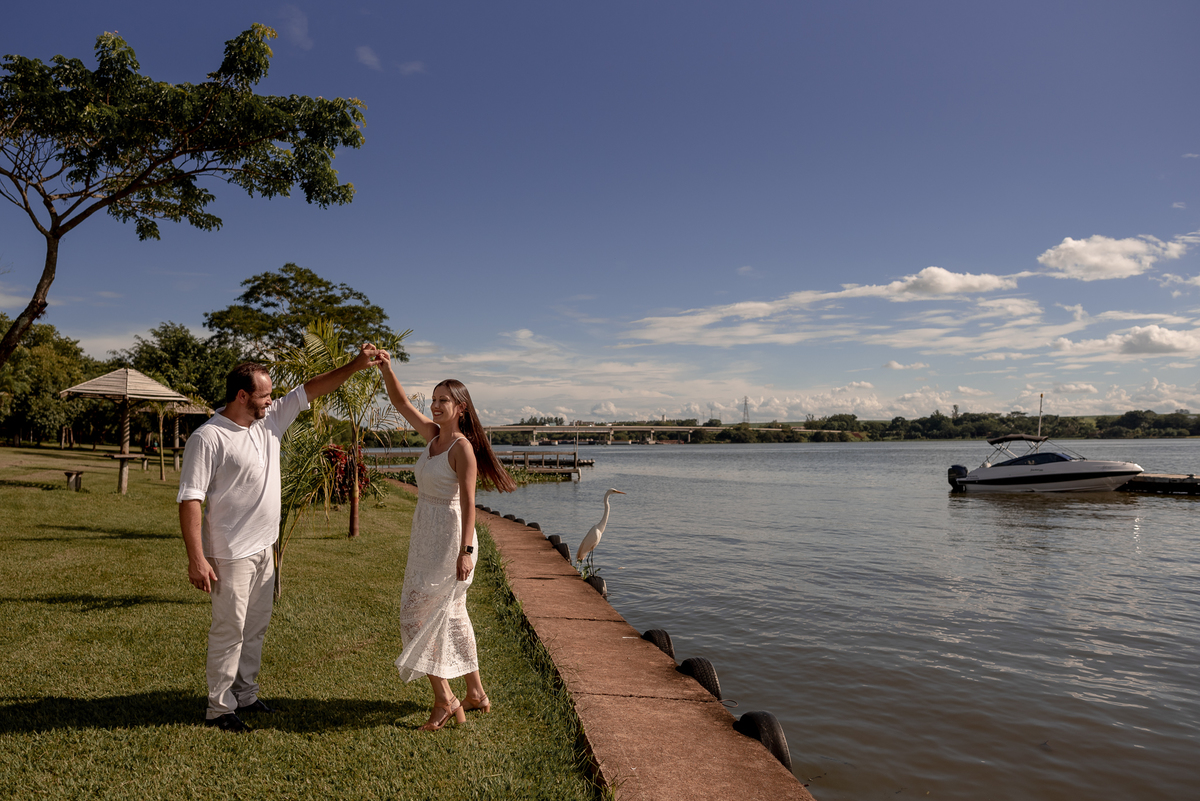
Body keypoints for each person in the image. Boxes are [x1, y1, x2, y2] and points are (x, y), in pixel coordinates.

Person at [178, 344, 380, 732]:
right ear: (242, 396)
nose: (272, 402)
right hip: (229, 553)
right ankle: (219, 709)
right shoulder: (209, 438)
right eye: (265, 395)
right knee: (229, 630)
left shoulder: (268, 422)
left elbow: (312, 388)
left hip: (263, 548)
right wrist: (197, 558)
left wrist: (355, 366)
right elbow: (190, 500)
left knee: (254, 628)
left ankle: (245, 695)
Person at [376, 349, 516, 731]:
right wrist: (388, 368)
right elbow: (401, 402)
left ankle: (445, 699)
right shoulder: (433, 437)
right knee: (452, 615)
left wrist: (466, 551)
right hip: (425, 532)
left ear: (461, 408)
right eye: (434, 400)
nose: (435, 406)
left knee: (416, 615)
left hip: (451, 538)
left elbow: (471, 505)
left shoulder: (462, 449)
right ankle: (476, 695)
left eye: (443, 401)